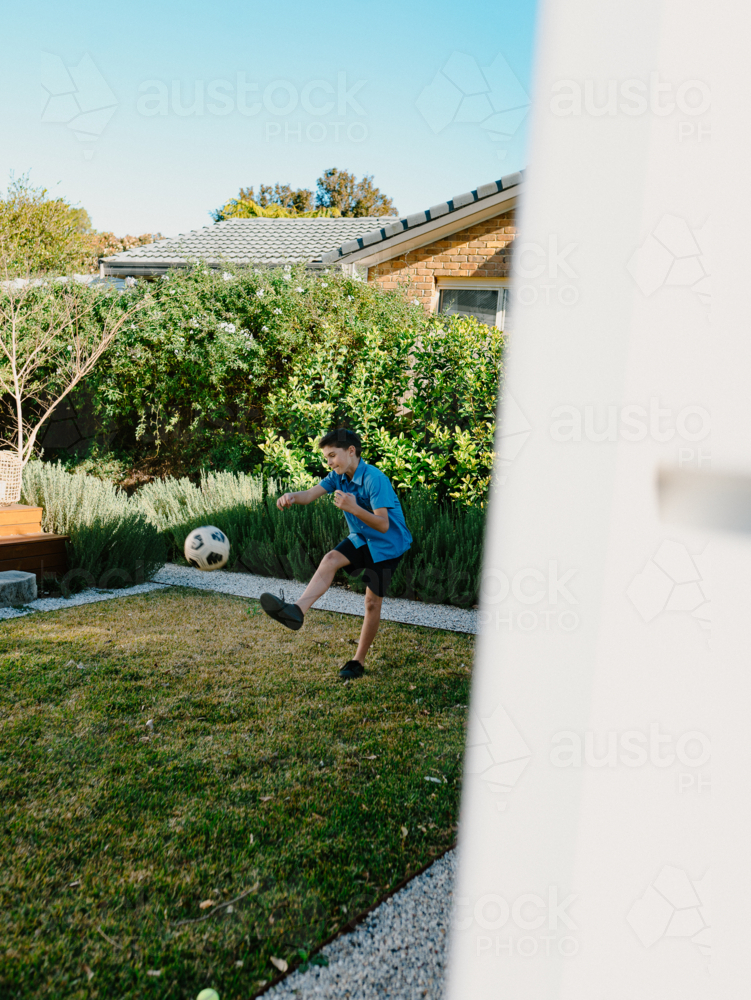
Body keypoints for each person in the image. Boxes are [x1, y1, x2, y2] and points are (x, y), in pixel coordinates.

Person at [259, 428, 412, 679]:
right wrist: (291, 497)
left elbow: (384, 524)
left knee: (372, 603)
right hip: (362, 538)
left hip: (387, 546)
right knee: (330, 558)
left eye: (332, 455)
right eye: (326, 457)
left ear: (351, 451)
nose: (329, 462)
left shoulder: (375, 479)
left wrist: (353, 507)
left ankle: (357, 661)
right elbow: (309, 495)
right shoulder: (337, 477)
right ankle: (296, 611)